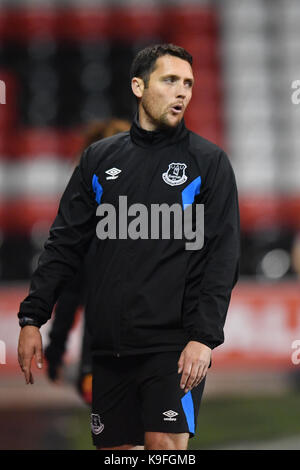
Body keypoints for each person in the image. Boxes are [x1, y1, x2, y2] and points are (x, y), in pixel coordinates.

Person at [17, 43, 240, 451]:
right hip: (109, 349)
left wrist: (203, 338)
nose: (182, 92)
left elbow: (222, 259)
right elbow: (64, 243)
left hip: (173, 348)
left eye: (188, 83)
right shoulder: (98, 161)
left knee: (164, 450)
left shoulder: (209, 163)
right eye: (170, 80)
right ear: (138, 86)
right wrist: (33, 318)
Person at [44, 119, 131, 406]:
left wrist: (55, 349)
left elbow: (70, 290)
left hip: (101, 358)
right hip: (145, 355)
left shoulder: (83, 222)